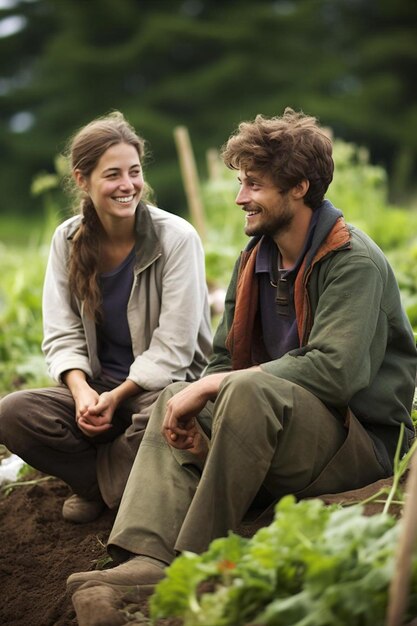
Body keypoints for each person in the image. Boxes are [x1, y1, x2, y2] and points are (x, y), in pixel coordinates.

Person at [67, 107, 417, 597]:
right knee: (176, 396)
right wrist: (206, 419)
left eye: (254, 184)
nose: (240, 198)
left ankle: (193, 566)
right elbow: (224, 361)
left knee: (243, 389)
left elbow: (337, 373)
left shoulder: (352, 260)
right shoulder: (256, 256)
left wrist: (217, 386)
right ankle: (145, 557)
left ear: (298, 187)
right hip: (281, 427)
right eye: (241, 183)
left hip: (357, 443)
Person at [0, 111, 212, 523]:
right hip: (98, 388)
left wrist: (117, 398)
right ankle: (111, 485)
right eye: (113, 174)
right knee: (13, 413)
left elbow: (175, 348)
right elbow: (61, 335)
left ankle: (102, 489)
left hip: (162, 388)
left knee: (168, 415)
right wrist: (82, 394)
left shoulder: (177, 239)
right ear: (82, 179)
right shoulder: (67, 239)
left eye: (134, 172)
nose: (128, 185)